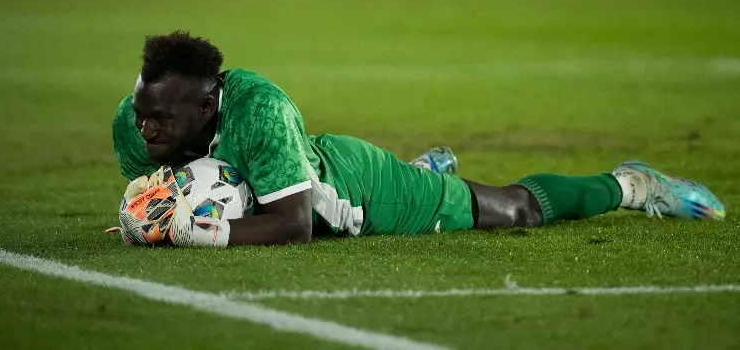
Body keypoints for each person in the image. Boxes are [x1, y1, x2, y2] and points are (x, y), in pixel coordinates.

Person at [111, 31, 726, 247]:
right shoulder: (137, 120)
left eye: (160, 120)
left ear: (205, 103)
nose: (146, 129)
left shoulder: (260, 111)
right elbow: (170, 187)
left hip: (357, 189)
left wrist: (196, 231)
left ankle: (632, 184)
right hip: (306, 167)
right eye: (142, 114)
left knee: (515, 212)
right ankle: (427, 172)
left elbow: (294, 226)